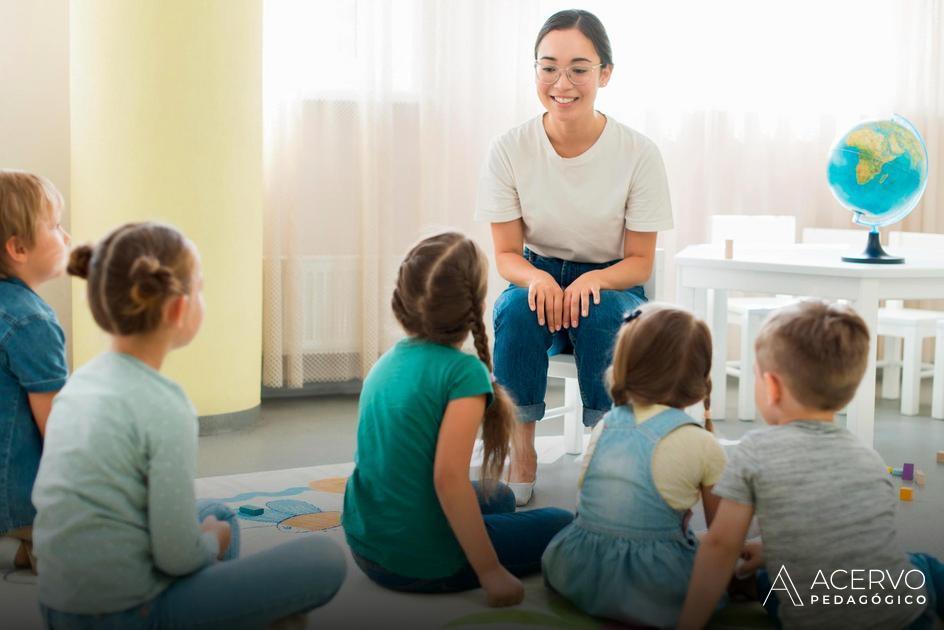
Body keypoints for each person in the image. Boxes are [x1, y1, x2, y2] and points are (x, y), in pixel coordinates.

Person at [32, 222, 346, 628]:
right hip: (127, 615)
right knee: (322, 559)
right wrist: (212, 541)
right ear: (179, 309)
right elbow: (177, 556)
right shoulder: (165, 404)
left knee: (218, 512)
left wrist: (213, 532)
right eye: (200, 288)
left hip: (58, 606)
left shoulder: (79, 384)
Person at [475, 9, 673, 505]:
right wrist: (537, 279)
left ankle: (608, 455)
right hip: (536, 274)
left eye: (579, 69)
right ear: (535, 71)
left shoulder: (638, 153)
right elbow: (504, 253)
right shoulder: (509, 148)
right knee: (516, 310)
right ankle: (522, 453)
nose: (562, 83)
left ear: (605, 73)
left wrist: (597, 282)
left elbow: (640, 261)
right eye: (548, 68)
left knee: (606, 313)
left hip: (612, 283)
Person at [679, 300, 944, 630]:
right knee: (922, 566)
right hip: (903, 617)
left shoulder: (755, 451)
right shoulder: (868, 457)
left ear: (772, 387)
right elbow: (843, 540)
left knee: (775, 584)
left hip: (814, 616)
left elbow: (721, 546)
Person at [342, 232, 573, 608]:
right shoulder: (463, 374)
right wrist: (491, 573)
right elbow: (448, 480)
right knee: (562, 522)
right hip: (418, 561)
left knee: (498, 496)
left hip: (366, 545)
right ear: (478, 305)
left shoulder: (384, 363)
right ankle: (464, 553)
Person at [542, 304, 726, 627]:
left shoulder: (605, 424)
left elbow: (586, 503)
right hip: (656, 587)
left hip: (579, 572)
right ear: (700, 376)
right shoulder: (702, 444)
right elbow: (721, 537)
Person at [0, 170, 70, 574]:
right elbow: (59, 430)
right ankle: (41, 539)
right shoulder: (32, 322)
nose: (66, 237)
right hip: (17, 497)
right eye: (57, 226)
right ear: (19, 248)